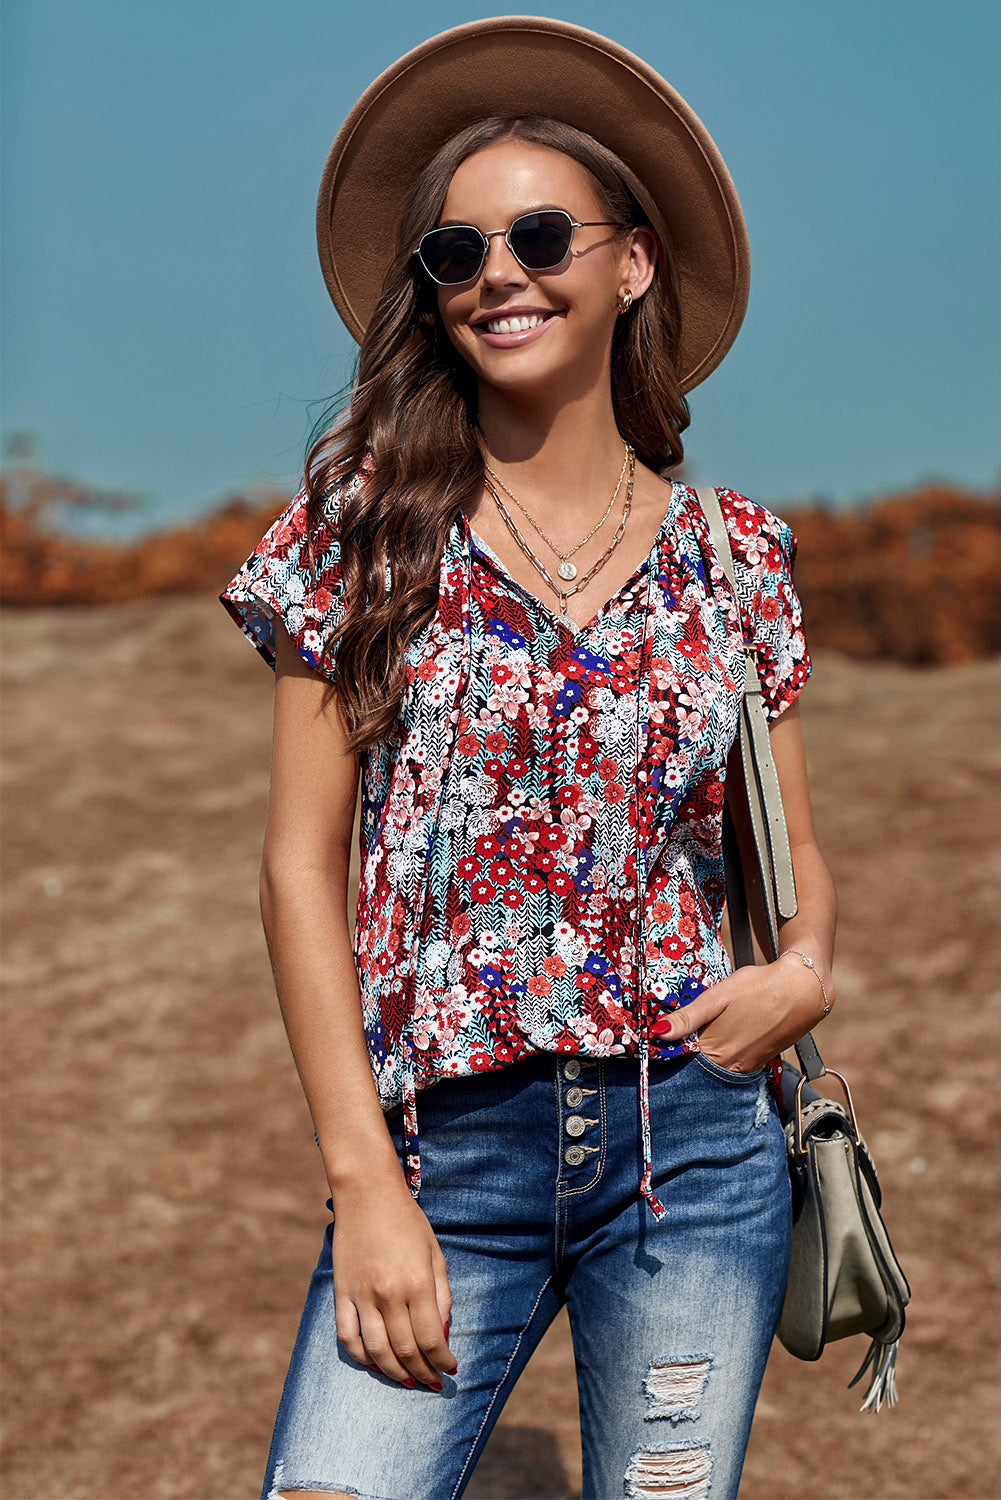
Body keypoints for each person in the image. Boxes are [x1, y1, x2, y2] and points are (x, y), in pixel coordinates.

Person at [219, 18, 837, 1500]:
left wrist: (806, 969)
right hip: (447, 1155)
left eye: (541, 234)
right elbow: (299, 866)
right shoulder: (364, 529)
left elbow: (785, 845)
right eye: (455, 252)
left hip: (688, 1144)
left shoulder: (733, 556)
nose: (499, 271)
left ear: (630, 263)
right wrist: (364, 1178)